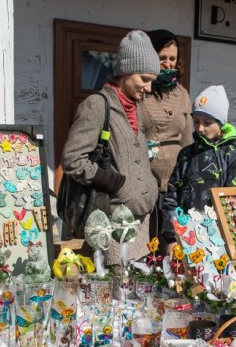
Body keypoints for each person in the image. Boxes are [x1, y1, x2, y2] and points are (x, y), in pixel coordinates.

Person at [62, 30, 161, 265]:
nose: (148, 88)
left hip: (143, 222)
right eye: (144, 79)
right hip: (114, 220)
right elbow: (72, 159)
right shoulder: (96, 106)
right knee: (118, 292)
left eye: (152, 82)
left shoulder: (136, 107)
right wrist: (110, 180)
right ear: (125, 71)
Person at [160, 85, 236, 248]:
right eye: (196, 121)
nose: (200, 128)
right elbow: (173, 195)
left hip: (220, 241)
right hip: (187, 237)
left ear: (221, 123)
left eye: (207, 122)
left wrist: (233, 242)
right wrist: (171, 237)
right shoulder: (186, 155)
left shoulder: (233, 158)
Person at [141, 29, 193, 192]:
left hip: (175, 181)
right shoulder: (140, 91)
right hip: (143, 180)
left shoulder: (182, 94)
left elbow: (186, 141)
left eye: (173, 59)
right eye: (162, 58)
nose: (168, 64)